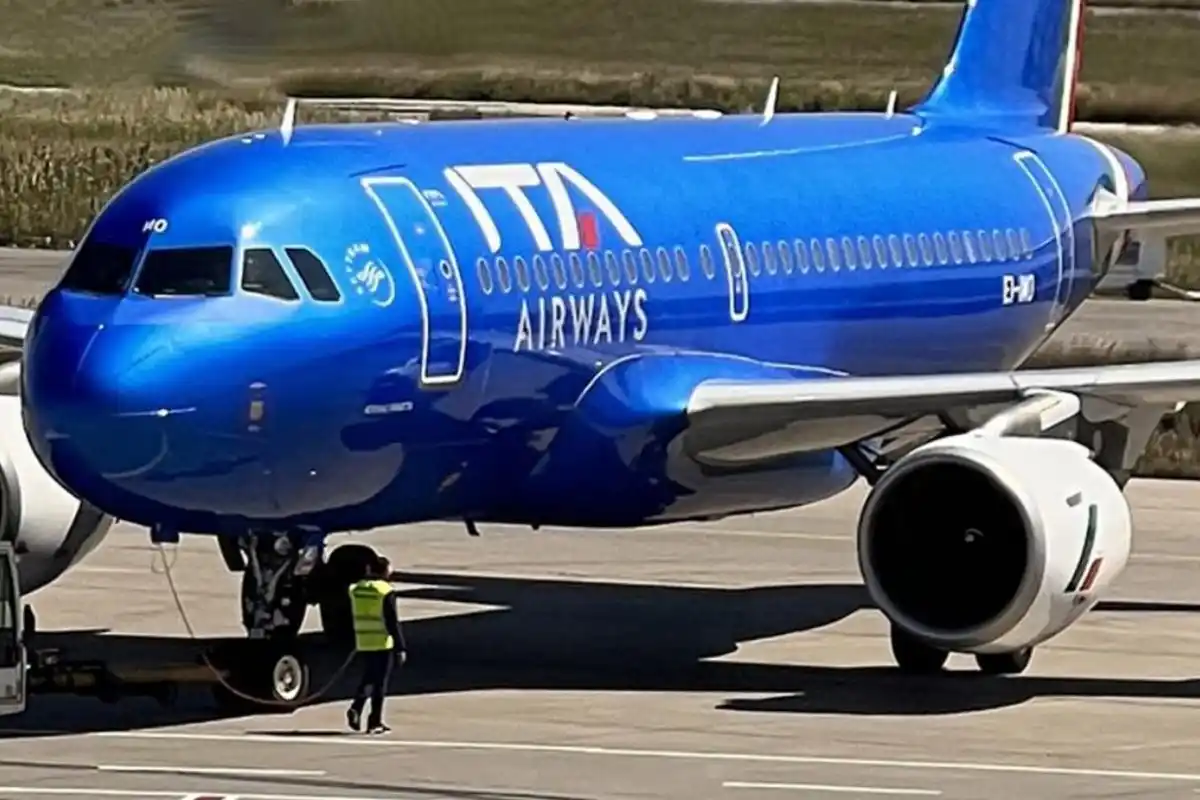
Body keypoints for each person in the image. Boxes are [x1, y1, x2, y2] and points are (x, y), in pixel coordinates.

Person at [346, 555, 406, 734]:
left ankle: (356, 707)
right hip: (382, 641)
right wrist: (400, 646)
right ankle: (375, 721)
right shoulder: (385, 591)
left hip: (364, 639)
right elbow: (392, 621)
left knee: (368, 677)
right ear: (384, 571)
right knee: (380, 683)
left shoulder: (355, 589)